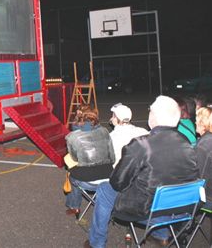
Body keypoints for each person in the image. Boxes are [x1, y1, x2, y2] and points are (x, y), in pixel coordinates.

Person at [85, 96, 199, 248]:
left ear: (155, 116)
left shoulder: (141, 145)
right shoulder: (187, 143)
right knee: (163, 184)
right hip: (180, 209)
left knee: (105, 189)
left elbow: (118, 182)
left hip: (148, 211)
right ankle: (162, 235)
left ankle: (96, 243)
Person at [65, 105, 115, 216]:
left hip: (88, 180)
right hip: (108, 176)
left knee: (71, 174)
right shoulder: (105, 131)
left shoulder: (72, 136)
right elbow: (112, 158)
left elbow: (74, 158)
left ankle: (74, 206)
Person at [109, 103, 148, 167]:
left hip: (120, 172)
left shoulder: (111, 137)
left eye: (113, 116)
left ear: (116, 119)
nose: (111, 118)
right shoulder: (143, 131)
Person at [195, 106, 212, 246]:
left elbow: (199, 178)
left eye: (196, 119)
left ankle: (180, 236)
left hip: (208, 197)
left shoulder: (204, 145)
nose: (194, 122)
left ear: (203, 123)